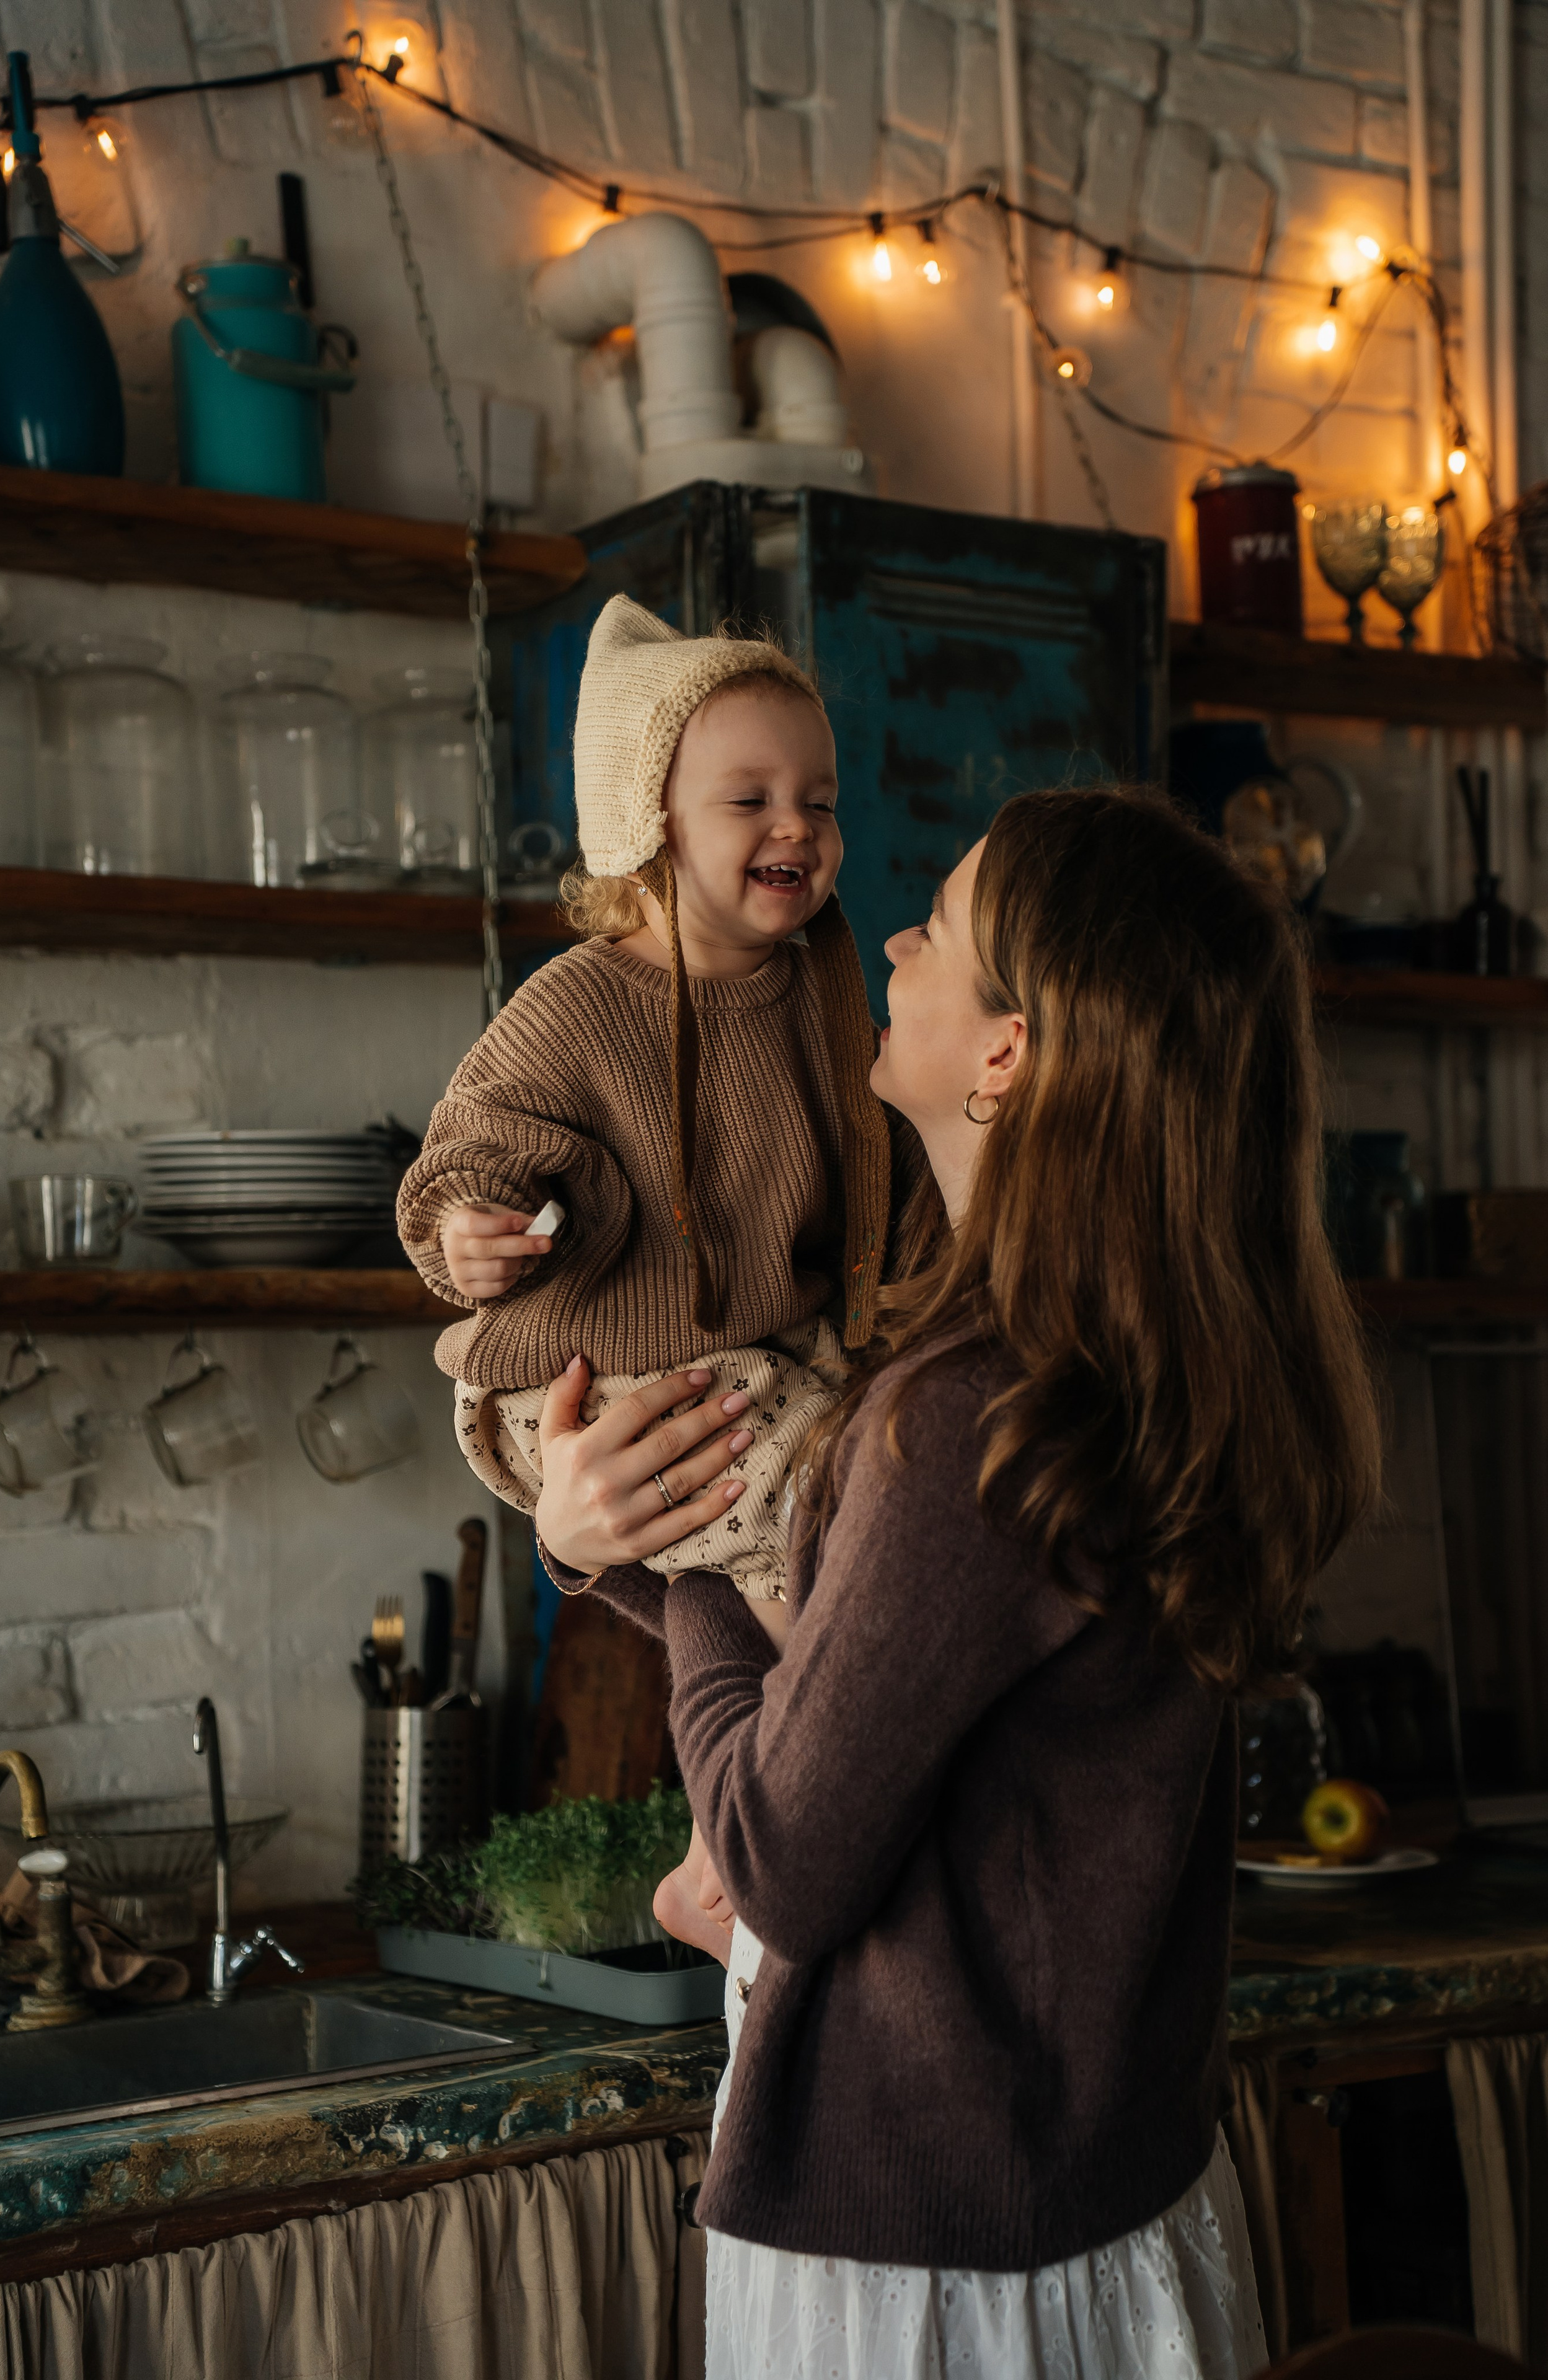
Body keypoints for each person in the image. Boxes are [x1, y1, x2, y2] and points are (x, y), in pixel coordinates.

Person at [530, 787, 1381, 2380]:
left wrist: (680, 1562)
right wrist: (610, 1551)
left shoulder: (966, 1412)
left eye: (943, 924)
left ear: (1006, 1054)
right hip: (1113, 2212)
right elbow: (931, 1739)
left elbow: (780, 1855)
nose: (897, 939)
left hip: (932, 2278)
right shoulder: (1129, 1371)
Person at [397, 593, 891, 1957]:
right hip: (579, 1365)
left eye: (820, 798)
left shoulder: (819, 990)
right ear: (646, 824)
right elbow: (467, 1152)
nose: (797, 827)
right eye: (750, 798)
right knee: (828, 1536)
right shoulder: (577, 999)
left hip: (746, 1351)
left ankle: (711, 1862)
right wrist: (468, 1231)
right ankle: (802, 1829)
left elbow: (867, 1186)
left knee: (825, 1511)